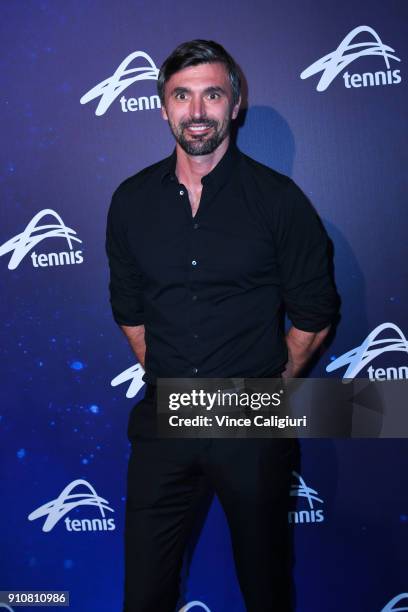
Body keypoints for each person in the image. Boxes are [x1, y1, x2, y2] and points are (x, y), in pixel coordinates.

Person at [106, 39, 340, 612]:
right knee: (144, 594)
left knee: (265, 587)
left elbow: (313, 316)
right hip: (166, 415)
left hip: (250, 414)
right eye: (181, 96)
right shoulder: (132, 201)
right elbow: (131, 312)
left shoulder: (278, 201)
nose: (197, 111)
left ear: (235, 104)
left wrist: (267, 385)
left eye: (212, 94)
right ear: (163, 107)